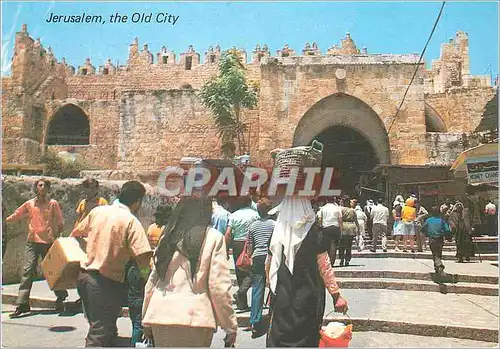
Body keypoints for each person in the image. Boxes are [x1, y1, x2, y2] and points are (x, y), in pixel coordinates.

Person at [142, 196, 238, 347]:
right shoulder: (213, 238)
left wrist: (146, 319)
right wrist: (230, 326)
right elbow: (218, 286)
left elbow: (153, 281)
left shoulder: (168, 236)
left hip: (160, 315)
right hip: (195, 319)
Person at [71, 181, 152, 347]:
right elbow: (143, 256)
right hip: (104, 283)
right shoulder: (130, 221)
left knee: (106, 328)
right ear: (137, 202)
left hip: (84, 278)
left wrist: (92, 248)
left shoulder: (98, 211)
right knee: (99, 333)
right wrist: (146, 278)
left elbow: (76, 233)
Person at [266, 197, 348, 347]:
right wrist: (336, 295)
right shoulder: (316, 233)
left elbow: (269, 264)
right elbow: (325, 267)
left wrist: (271, 288)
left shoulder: (277, 232)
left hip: (283, 294)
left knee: (281, 336)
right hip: (309, 297)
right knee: (306, 338)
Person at [6, 179, 69, 317]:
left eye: (45, 185)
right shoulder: (30, 204)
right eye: (40, 185)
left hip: (48, 242)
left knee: (52, 271)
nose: (42, 187)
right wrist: (7, 220)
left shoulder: (52, 204)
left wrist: (59, 236)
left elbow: (59, 221)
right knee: (27, 271)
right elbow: (18, 213)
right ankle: (22, 304)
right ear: (36, 188)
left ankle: (61, 297)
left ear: (48, 189)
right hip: (32, 242)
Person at [246, 198, 275, 338]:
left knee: (257, 289)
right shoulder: (274, 225)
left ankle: (254, 321)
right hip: (271, 257)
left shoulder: (253, 226)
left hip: (257, 257)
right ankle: (273, 318)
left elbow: (250, 246)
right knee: (274, 287)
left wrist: (250, 257)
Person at [225, 196, 260, 310]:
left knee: (240, 271)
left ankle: (242, 302)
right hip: (251, 243)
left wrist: (226, 247)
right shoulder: (255, 215)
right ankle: (241, 291)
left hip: (237, 244)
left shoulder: (234, 215)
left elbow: (228, 233)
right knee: (252, 270)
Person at [422, 206, 452, 276]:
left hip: (432, 239)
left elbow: (422, 228)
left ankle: (439, 266)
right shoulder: (442, 220)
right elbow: (447, 230)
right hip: (440, 239)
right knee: (438, 254)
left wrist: (427, 233)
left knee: (435, 254)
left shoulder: (428, 220)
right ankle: (437, 268)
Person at [125, 258, 147, 346]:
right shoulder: (140, 269)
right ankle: (134, 345)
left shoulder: (130, 269)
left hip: (132, 299)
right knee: (139, 327)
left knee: (135, 325)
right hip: (139, 300)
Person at [316, 196, 343, 266]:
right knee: (334, 245)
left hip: (326, 228)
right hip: (335, 228)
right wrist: (341, 230)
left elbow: (320, 219)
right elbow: (340, 220)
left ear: (326, 200)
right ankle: (332, 261)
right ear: (334, 200)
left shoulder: (323, 208)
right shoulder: (337, 208)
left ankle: (326, 261)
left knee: (326, 245)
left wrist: (320, 227)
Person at [338, 199, 359, 267]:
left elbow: (338, 219)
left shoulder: (340, 209)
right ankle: (347, 259)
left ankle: (341, 258)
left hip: (343, 226)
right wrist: (358, 229)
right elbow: (356, 220)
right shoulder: (352, 210)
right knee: (349, 245)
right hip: (350, 227)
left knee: (341, 245)